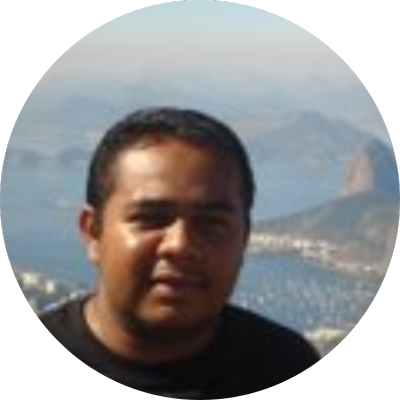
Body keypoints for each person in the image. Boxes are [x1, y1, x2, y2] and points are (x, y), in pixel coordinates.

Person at [39, 107, 320, 398]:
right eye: (150, 218)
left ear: (244, 238)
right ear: (93, 233)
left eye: (212, 222)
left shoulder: (285, 364)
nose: (180, 245)